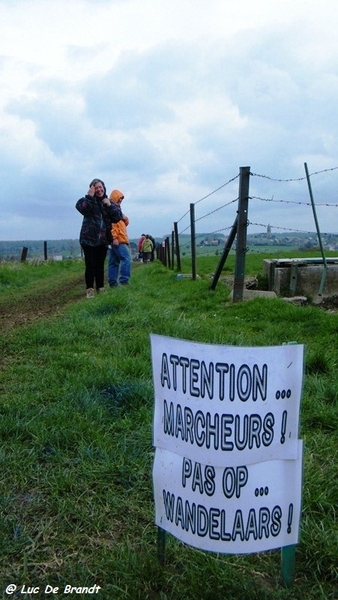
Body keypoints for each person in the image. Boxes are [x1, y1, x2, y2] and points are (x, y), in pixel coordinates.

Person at [76, 178, 122, 298]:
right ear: (92, 189)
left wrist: (109, 205)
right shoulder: (86, 200)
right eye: (96, 188)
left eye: (100, 187)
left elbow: (117, 217)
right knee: (90, 265)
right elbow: (82, 209)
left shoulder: (109, 202)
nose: (99, 189)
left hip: (102, 240)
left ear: (104, 188)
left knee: (100, 265)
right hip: (88, 239)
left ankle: (100, 288)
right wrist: (90, 197)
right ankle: (90, 290)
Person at [107, 189, 131, 287]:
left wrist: (124, 217)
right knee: (127, 259)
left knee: (114, 261)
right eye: (119, 198)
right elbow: (112, 226)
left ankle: (112, 283)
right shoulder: (112, 210)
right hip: (118, 241)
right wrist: (114, 238)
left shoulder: (117, 210)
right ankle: (124, 280)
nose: (120, 200)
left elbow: (124, 223)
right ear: (114, 198)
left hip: (118, 240)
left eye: (121, 199)